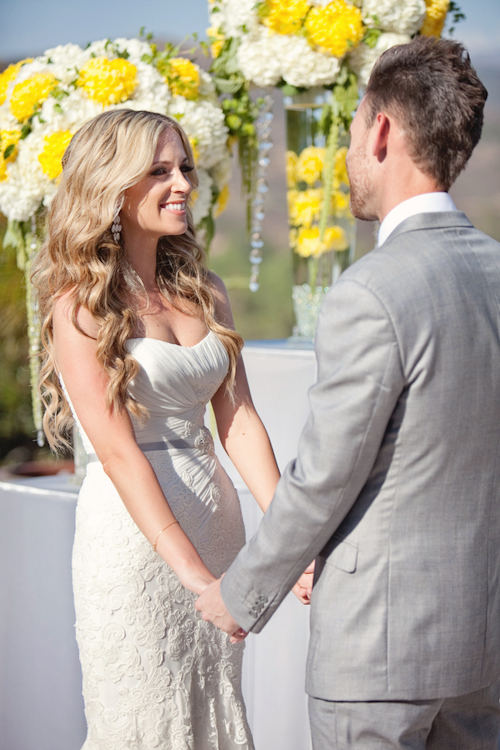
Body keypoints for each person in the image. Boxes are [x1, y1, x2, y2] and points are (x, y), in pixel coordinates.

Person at [196, 36, 500, 750]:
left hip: (379, 653)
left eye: (355, 130)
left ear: (384, 131)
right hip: (482, 647)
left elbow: (325, 477)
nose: (349, 154)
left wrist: (241, 595)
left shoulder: (371, 290)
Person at [31, 108, 285, 750]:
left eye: (186, 169)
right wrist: (195, 576)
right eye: (159, 171)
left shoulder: (206, 290)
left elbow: (242, 422)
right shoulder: (80, 303)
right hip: (135, 544)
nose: (183, 185)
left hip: (217, 526)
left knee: (212, 716)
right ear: (113, 185)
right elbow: (116, 454)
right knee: (145, 720)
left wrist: (291, 535)